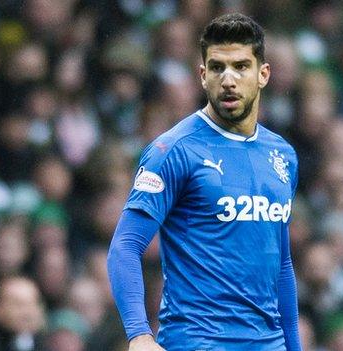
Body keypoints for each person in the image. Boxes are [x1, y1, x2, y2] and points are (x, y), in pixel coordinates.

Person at [107, 13, 301, 351]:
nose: (228, 79)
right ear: (202, 75)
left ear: (263, 74)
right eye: (217, 67)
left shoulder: (283, 156)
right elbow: (125, 246)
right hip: (198, 341)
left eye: (241, 66)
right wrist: (139, 334)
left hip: (268, 344)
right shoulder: (173, 151)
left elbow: (281, 264)